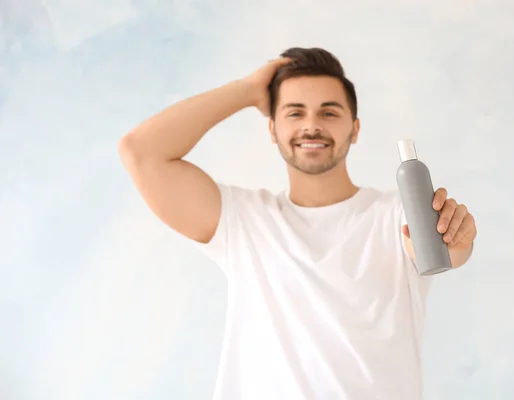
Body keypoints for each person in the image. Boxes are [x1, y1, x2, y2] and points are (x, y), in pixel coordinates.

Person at [118, 47, 477, 400]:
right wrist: (247, 90)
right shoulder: (242, 220)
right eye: (295, 113)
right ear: (272, 129)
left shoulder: (397, 216)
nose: (311, 125)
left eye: (329, 112)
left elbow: (445, 250)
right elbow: (141, 152)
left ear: (355, 129)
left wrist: (456, 239)